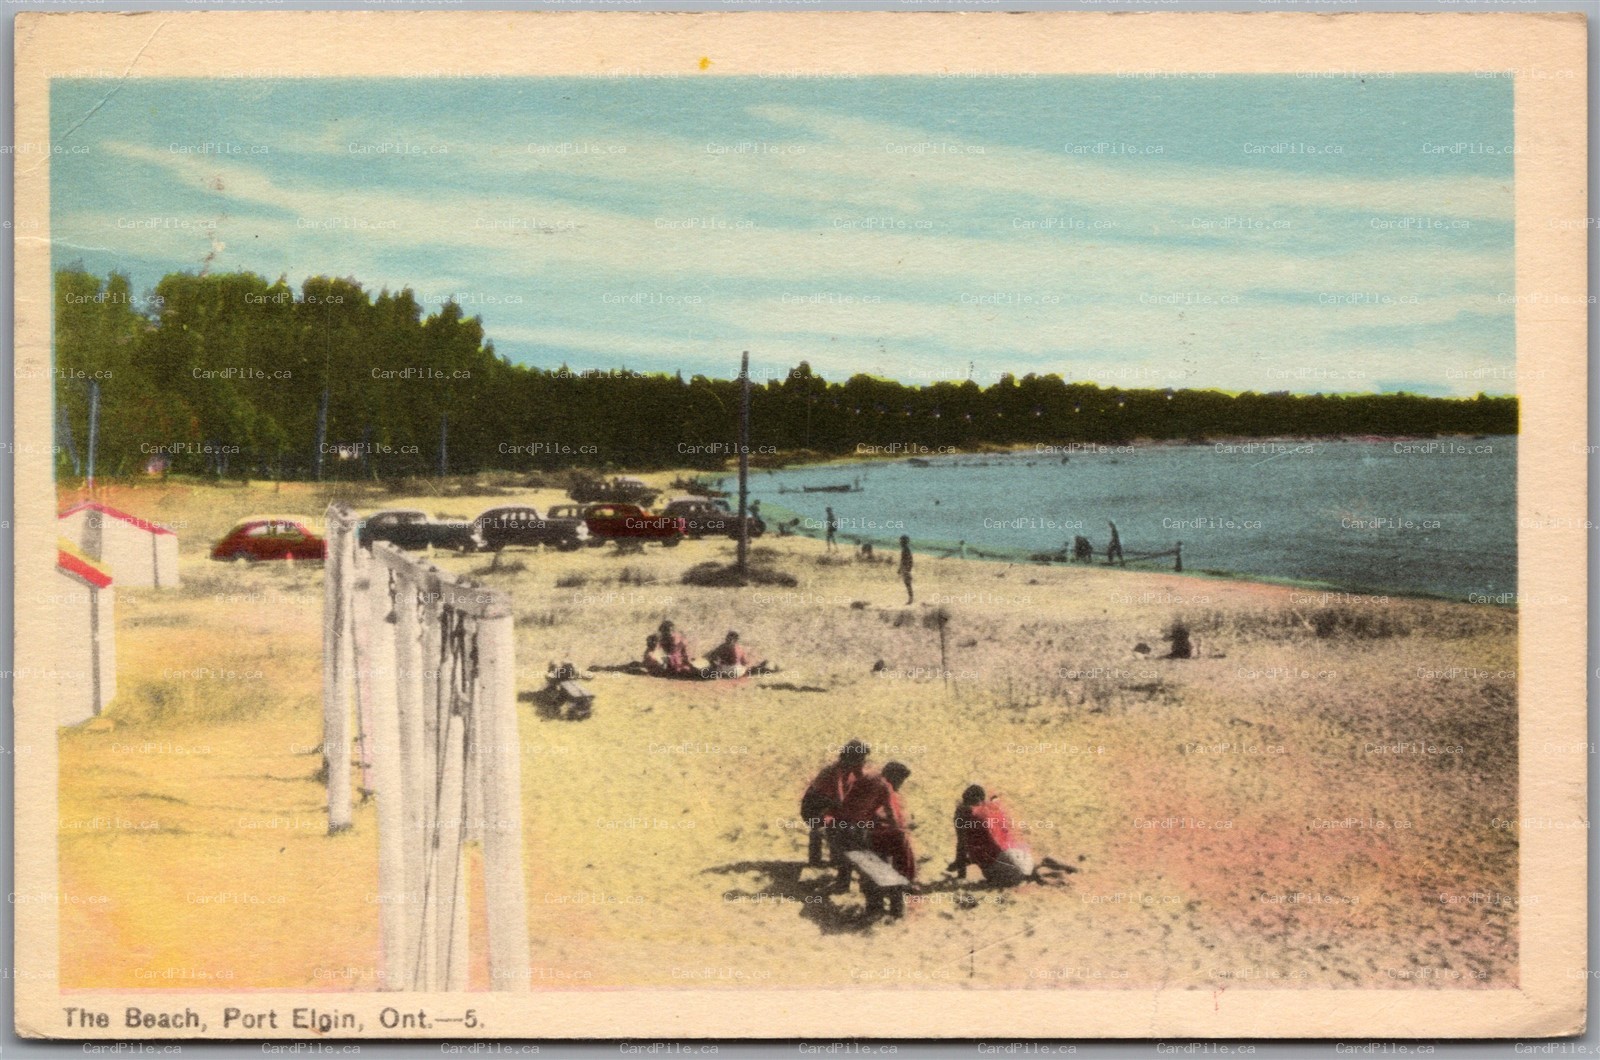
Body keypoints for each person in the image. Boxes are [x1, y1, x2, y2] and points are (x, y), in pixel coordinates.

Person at [838, 760, 915, 904]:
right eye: (901, 781)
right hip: (854, 831)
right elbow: (892, 818)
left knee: (880, 843)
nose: (900, 785)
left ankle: (878, 892)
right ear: (895, 777)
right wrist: (901, 827)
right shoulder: (885, 786)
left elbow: (859, 805)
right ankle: (903, 885)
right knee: (898, 841)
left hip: (839, 827)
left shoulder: (868, 778)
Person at [800, 739, 870, 867]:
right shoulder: (835, 771)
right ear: (852, 759)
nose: (864, 762)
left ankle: (841, 859)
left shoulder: (851, 771)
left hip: (829, 807)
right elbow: (839, 801)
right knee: (841, 826)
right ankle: (827, 860)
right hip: (814, 810)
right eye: (861, 759)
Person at [948, 785, 1034, 887]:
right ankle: (1033, 872)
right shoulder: (996, 807)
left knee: (990, 864)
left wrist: (961, 876)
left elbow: (961, 846)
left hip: (1004, 864)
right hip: (1025, 857)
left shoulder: (965, 813)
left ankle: (1015, 876)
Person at [703, 630, 778, 679]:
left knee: (713, 663)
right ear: (736, 640)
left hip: (726, 671)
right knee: (749, 668)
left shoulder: (722, 646)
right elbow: (744, 662)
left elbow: (713, 656)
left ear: (727, 638)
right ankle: (766, 667)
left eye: (727, 638)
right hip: (738, 672)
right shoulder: (739, 648)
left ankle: (716, 675)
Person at [898, 535, 915, 605]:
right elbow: (906, 560)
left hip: (906, 569)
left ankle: (911, 599)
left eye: (901, 541)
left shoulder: (906, 549)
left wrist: (907, 569)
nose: (900, 542)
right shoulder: (905, 549)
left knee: (908, 584)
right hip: (905, 568)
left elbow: (909, 560)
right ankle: (910, 598)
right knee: (907, 584)